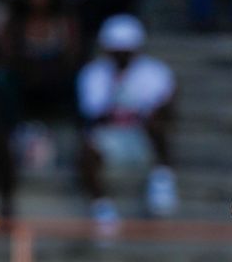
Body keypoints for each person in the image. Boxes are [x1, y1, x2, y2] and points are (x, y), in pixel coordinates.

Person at [76, 14, 178, 229]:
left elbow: (165, 110)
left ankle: (162, 181)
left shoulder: (155, 72)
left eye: (126, 52)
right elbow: (93, 114)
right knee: (86, 149)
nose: (122, 58)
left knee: (158, 126)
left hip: (142, 137)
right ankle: (102, 209)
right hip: (110, 137)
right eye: (117, 52)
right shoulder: (93, 73)